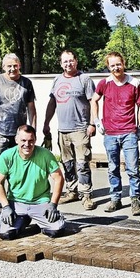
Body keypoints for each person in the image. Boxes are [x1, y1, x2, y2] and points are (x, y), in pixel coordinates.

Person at [0, 53, 36, 217]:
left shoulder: (26, 83)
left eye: (15, 65)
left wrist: (33, 130)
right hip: (0, 134)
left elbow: (31, 109)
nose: (12, 69)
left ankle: (14, 201)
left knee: (17, 168)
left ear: (20, 66)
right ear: (4, 67)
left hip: (20, 135)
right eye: (9, 66)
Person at [90, 52, 140, 215]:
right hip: (110, 133)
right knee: (113, 168)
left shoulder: (134, 83)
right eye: (112, 65)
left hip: (129, 132)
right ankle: (115, 198)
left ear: (124, 63)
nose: (116, 68)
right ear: (108, 67)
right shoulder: (104, 83)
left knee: (133, 168)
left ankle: (135, 199)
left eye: (118, 64)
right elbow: (94, 100)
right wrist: (97, 121)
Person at [43, 50, 96, 210]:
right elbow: (52, 103)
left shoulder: (84, 79)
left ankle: (86, 195)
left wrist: (92, 123)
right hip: (63, 131)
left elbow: (93, 102)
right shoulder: (57, 80)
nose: (68, 64)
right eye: (65, 61)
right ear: (61, 64)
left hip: (81, 129)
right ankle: (71, 191)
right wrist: (46, 123)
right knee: (67, 163)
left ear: (76, 61)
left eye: (71, 60)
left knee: (82, 164)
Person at [0, 125, 66, 240]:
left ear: (35, 140)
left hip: (40, 201)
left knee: (56, 230)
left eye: (30, 141)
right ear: (16, 140)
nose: (27, 144)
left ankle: (40, 221)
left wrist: (53, 204)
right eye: (23, 140)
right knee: (5, 234)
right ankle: (23, 220)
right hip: (16, 202)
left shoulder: (45, 155)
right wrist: (5, 206)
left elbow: (59, 178)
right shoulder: (6, 156)